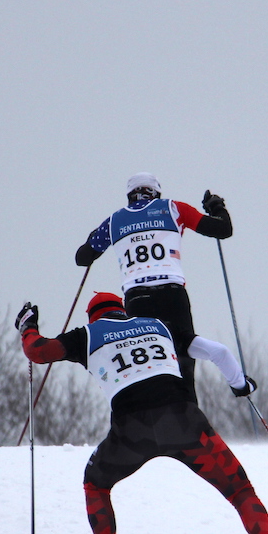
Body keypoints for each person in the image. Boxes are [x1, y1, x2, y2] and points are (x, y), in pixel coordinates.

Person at [15, 291, 268, 534]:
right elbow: (217, 351)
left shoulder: (87, 334)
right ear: (123, 310)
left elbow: (38, 351)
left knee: (96, 483)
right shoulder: (158, 325)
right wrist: (241, 385)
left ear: (92, 316)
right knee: (240, 491)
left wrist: (27, 326)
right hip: (185, 425)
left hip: (132, 432)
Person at [74, 172, 231, 402]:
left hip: (138, 299)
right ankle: (191, 424)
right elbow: (223, 229)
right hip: (173, 294)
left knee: (152, 367)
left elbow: (82, 257)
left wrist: (92, 240)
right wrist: (216, 207)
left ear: (130, 195)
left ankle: (153, 422)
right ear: (156, 192)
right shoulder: (173, 208)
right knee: (184, 358)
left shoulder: (114, 221)